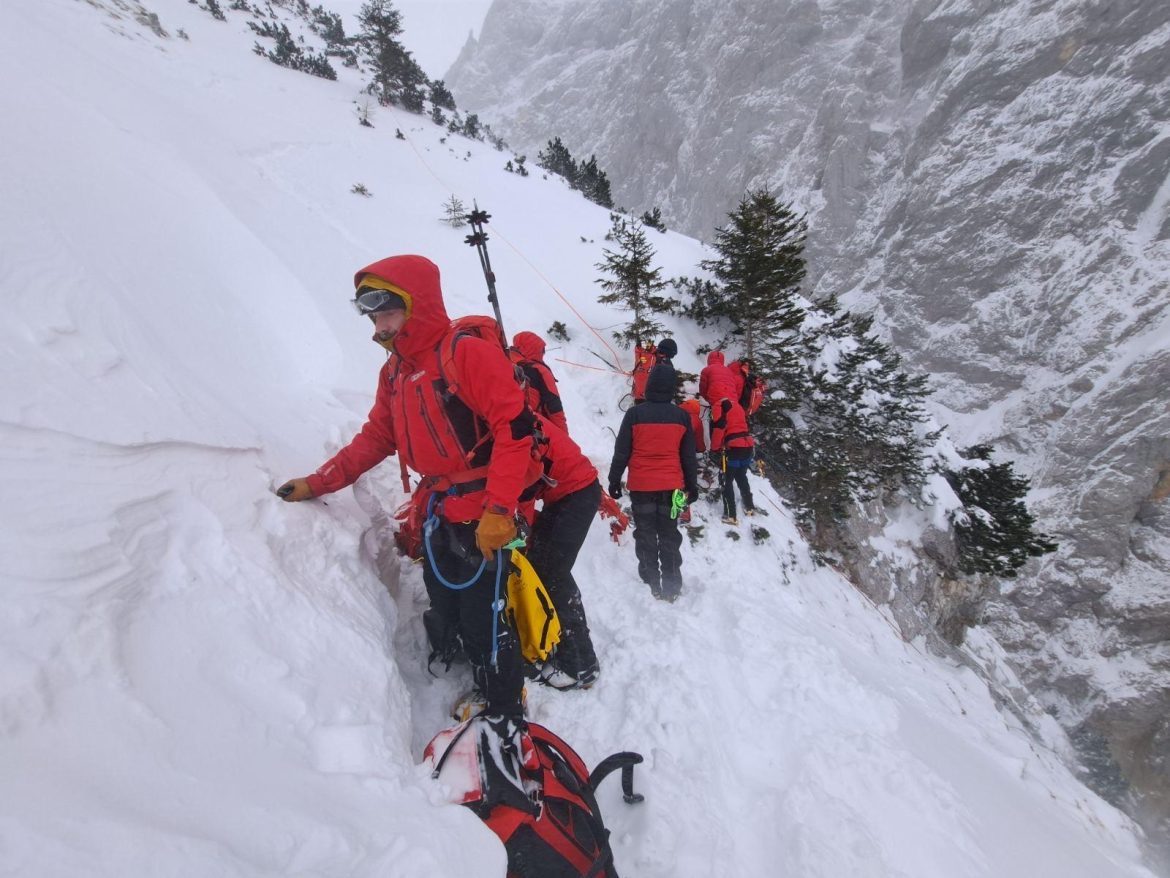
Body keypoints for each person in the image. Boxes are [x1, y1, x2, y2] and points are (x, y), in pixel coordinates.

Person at [277, 254, 542, 727]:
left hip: (485, 506)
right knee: (445, 596)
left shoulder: (464, 353)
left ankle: (504, 703)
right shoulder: (396, 373)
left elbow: (515, 428)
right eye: (374, 316)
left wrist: (500, 509)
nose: (380, 325)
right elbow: (377, 437)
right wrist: (319, 482)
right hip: (440, 507)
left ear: (415, 306)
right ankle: (465, 662)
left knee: (486, 612)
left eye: (388, 312)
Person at [607, 364, 698, 601]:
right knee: (669, 534)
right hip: (672, 487)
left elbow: (621, 451)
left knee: (645, 534)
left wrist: (614, 479)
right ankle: (671, 585)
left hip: (641, 487)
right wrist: (692, 485)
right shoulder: (681, 416)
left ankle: (651, 583)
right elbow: (688, 455)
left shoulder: (635, 415)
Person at [524, 419, 602, 689]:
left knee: (552, 572)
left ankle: (581, 664)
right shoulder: (518, 414)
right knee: (542, 566)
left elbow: (523, 485)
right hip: (567, 494)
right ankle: (554, 640)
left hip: (576, 494)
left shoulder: (514, 425)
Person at [510, 331, 569, 432]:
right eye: (542, 351)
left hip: (508, 427)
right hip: (537, 429)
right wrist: (564, 437)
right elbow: (554, 407)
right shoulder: (540, 371)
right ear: (534, 349)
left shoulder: (506, 364)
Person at [710, 396, 756, 524]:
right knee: (741, 476)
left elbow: (719, 428)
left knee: (726, 480)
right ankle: (749, 506)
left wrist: (714, 448)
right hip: (747, 446)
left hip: (734, 448)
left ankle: (731, 515)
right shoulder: (737, 405)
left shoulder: (719, 405)